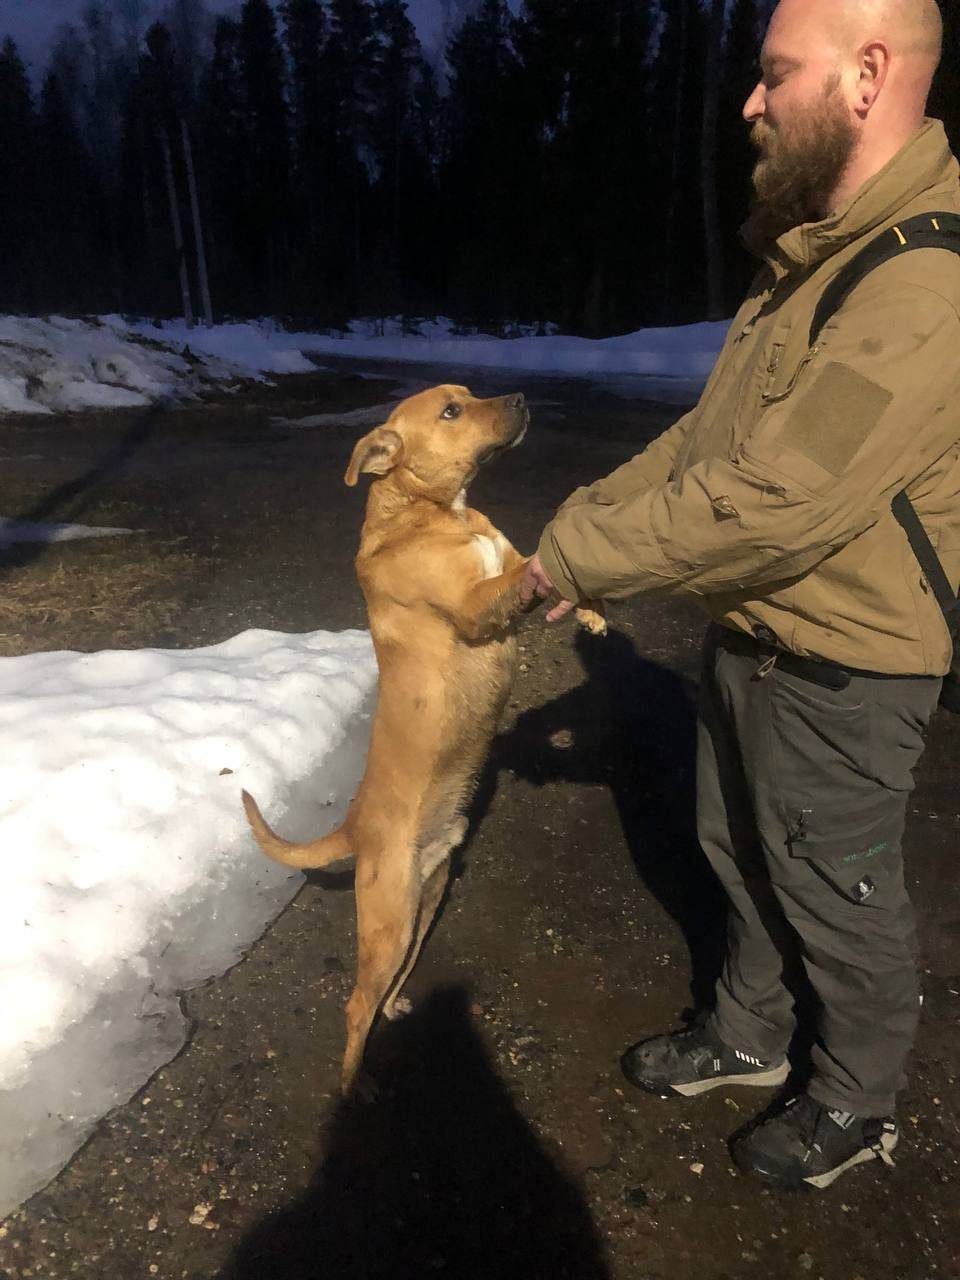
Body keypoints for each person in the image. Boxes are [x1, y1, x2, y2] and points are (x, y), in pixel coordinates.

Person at [520, 0, 960, 1191]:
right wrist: (579, 529)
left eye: (774, 75)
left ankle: (860, 1099)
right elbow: (708, 440)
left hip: (848, 663)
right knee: (740, 852)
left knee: (839, 890)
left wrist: (592, 561)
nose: (750, 103)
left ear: (868, 77)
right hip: (755, 635)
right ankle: (750, 1033)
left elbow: (778, 499)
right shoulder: (810, 260)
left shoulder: (918, 284)